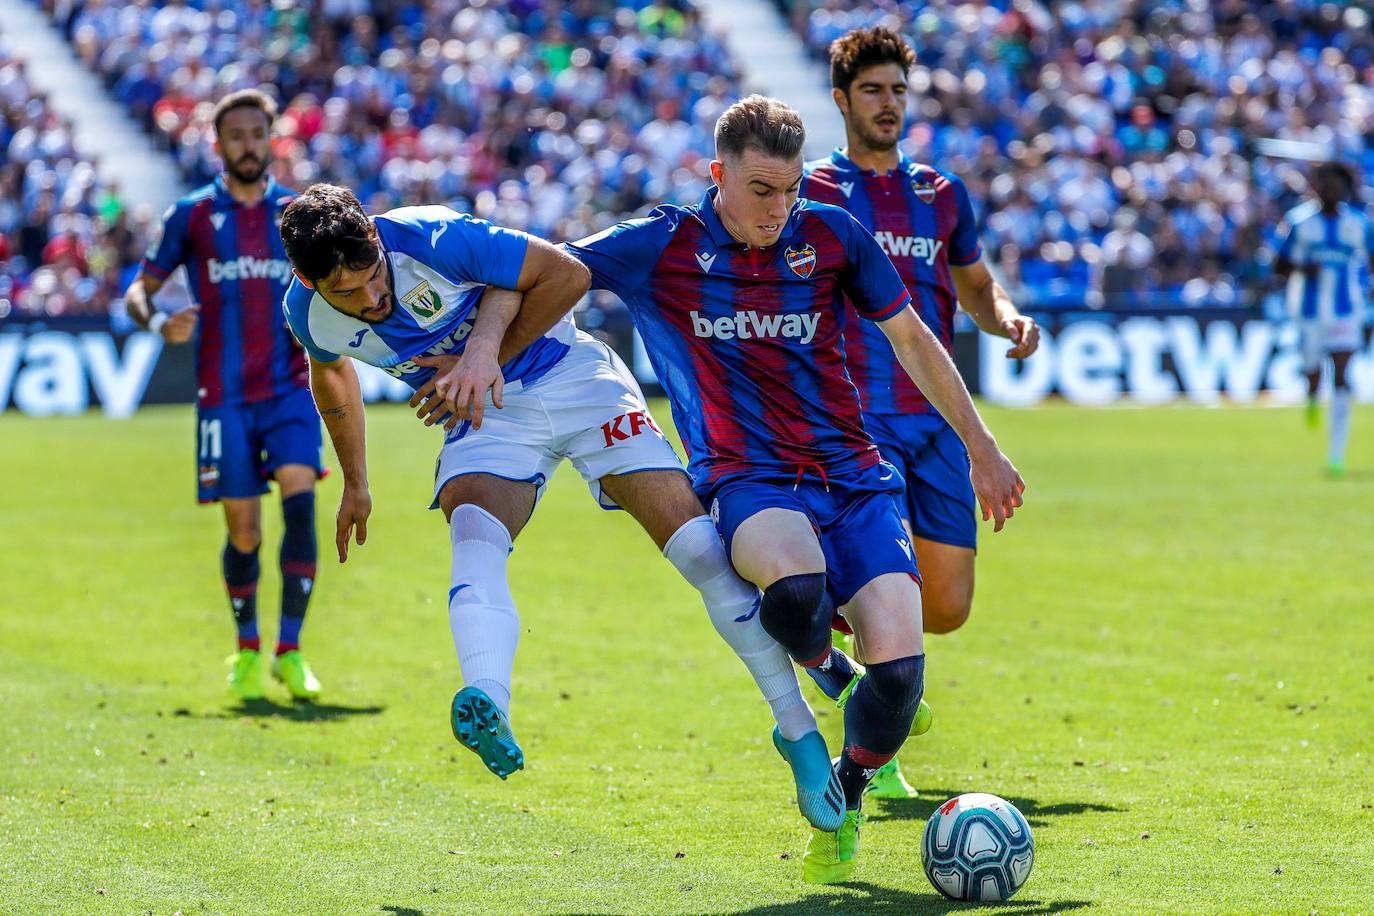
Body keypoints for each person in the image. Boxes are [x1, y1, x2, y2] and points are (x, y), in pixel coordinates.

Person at [277, 185, 845, 835]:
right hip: (488, 414)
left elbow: (564, 272)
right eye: (347, 295)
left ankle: (797, 732)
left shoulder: (429, 237)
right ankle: (487, 698)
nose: (372, 302)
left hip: (576, 381)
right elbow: (331, 376)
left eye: (374, 280)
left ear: (376, 242)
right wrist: (356, 481)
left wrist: (478, 354)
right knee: (473, 534)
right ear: (305, 279)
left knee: (699, 553)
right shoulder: (307, 315)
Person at [567, 95, 1025, 884]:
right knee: (796, 596)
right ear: (718, 175)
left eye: (789, 191)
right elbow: (542, 265)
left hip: (852, 475)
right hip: (747, 475)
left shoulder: (833, 234)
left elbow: (912, 337)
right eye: (760, 191)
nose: (779, 209)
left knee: (901, 677)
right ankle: (820, 663)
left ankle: (842, 799)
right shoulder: (663, 242)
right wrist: (473, 351)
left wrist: (982, 447)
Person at [800, 26, 1041, 799]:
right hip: (858, 423)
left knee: (949, 605)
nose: (889, 104)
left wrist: (1004, 317)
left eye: (899, 91)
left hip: (936, 421)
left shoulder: (942, 194)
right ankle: (879, 739)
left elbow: (974, 283)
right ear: (842, 100)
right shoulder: (815, 192)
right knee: (889, 584)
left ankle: (845, 637)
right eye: (873, 90)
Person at [124, 89, 326, 702]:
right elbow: (140, 289)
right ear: (217, 144)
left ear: (271, 140)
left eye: (256, 133)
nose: (246, 144)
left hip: (291, 388)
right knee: (244, 534)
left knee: (299, 501)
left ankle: (290, 651)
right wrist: (159, 322)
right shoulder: (191, 215)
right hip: (224, 397)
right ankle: (246, 649)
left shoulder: (296, 216)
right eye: (234, 135)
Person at [1274, 160, 1372, 476]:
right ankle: (1313, 397)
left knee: (1342, 374)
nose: (1331, 190)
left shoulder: (1359, 223)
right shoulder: (1299, 222)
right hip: (1309, 312)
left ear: (1344, 188)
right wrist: (1303, 269)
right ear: (1316, 188)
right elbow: (1278, 265)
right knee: (1313, 374)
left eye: (1336, 184)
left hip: (1347, 309)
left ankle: (1336, 453)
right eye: (1325, 184)